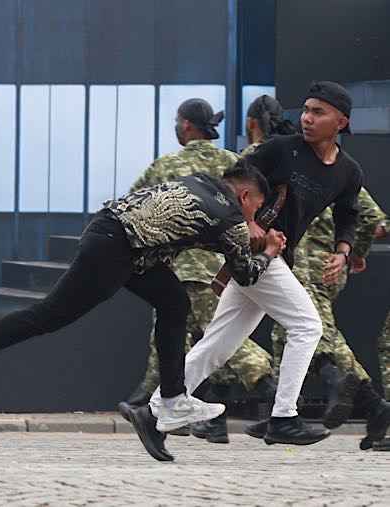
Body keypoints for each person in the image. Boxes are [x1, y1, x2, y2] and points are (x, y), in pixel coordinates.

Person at [0, 160, 285, 461]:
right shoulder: (231, 219)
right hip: (116, 248)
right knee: (49, 315)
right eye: (256, 208)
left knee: (174, 301)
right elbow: (246, 275)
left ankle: (173, 399)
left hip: (120, 239)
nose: (254, 216)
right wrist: (268, 249)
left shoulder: (198, 182)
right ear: (244, 196)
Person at [148, 81, 368, 450]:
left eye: (319, 112)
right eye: (306, 110)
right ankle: (284, 417)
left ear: (341, 122)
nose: (308, 118)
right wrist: (248, 220)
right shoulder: (283, 148)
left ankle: (155, 407)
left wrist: (342, 251)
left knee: (219, 343)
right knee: (307, 325)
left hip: (273, 255)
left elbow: (349, 215)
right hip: (257, 252)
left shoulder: (348, 171)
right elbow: (231, 180)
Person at [119, 99, 276, 444]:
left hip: (181, 269)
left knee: (218, 342)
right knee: (174, 342)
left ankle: (271, 386)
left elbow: (132, 206)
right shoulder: (232, 163)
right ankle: (160, 410)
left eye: (178, 122)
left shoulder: (168, 164)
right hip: (221, 266)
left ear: (188, 125)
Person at [249, 188, 388, 451]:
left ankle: (366, 400)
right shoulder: (336, 173)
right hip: (328, 264)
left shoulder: (283, 167)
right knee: (287, 333)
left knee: (315, 333)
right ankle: (280, 412)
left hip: (300, 265)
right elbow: (371, 217)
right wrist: (354, 253)